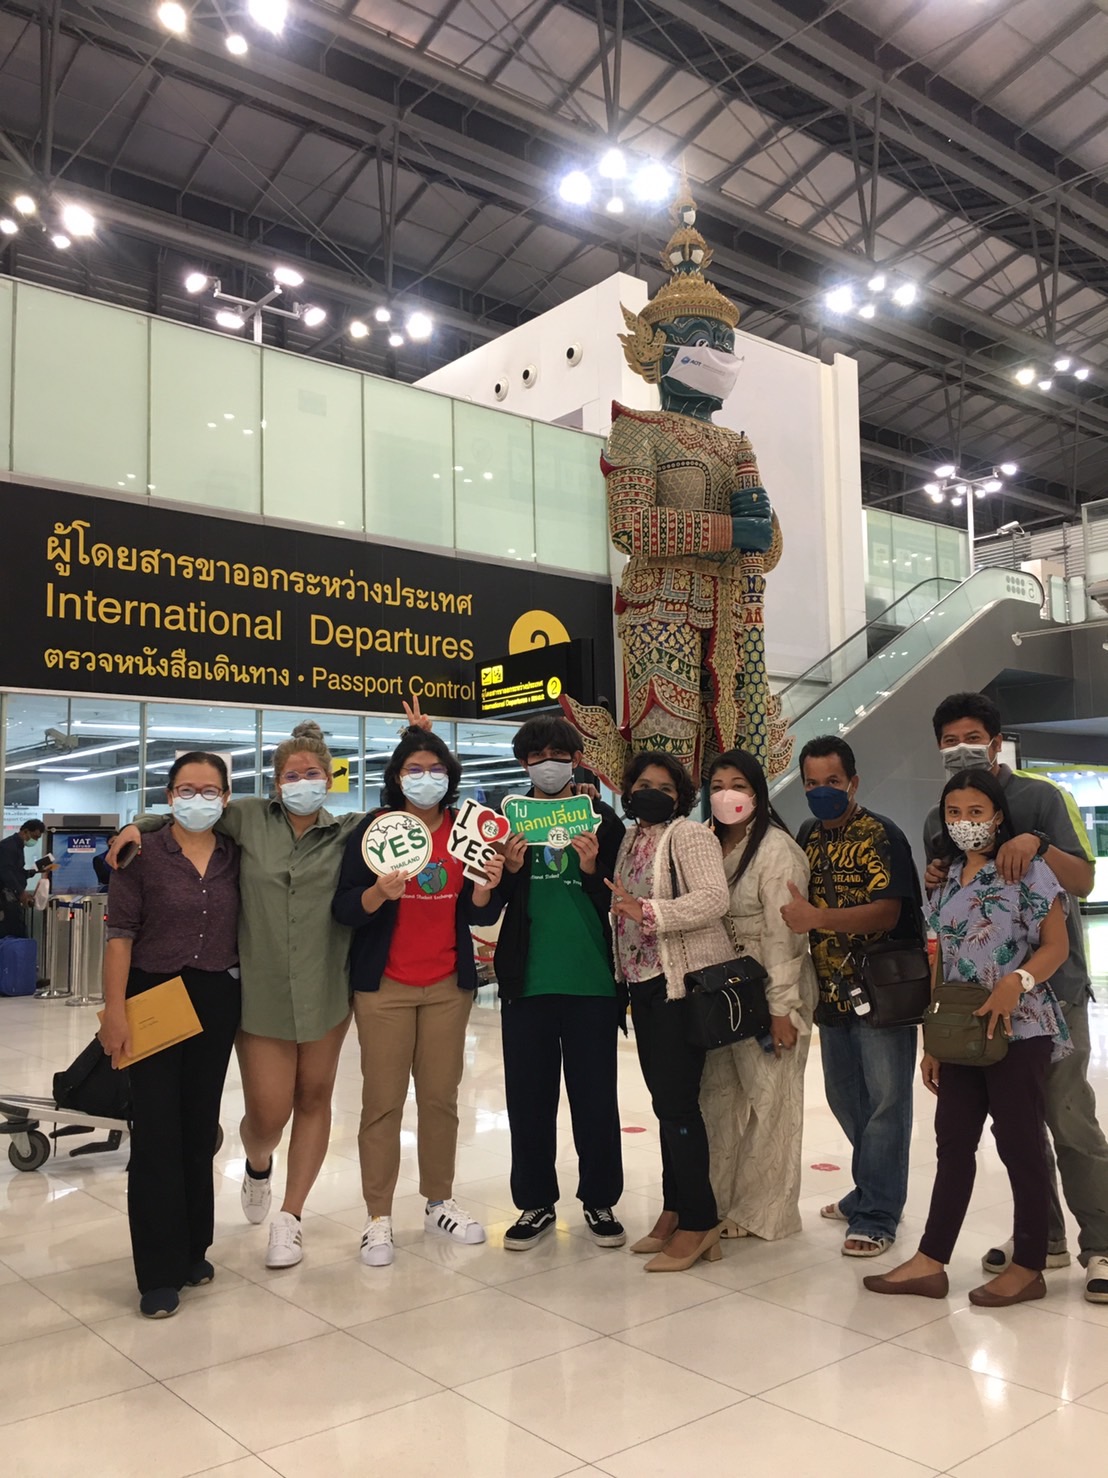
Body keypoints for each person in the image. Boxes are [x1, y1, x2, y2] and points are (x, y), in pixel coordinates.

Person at [107, 721, 363, 1270]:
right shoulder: (246, 818)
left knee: (314, 1098)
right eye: (291, 775)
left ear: (329, 778)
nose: (302, 783)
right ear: (275, 783)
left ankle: (290, 1218)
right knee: (268, 1114)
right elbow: (184, 818)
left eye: (312, 774)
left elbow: (405, 829)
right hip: (259, 992)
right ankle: (258, 1162)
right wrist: (135, 824)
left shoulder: (348, 831)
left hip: (324, 987)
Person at [925, 691, 1108, 1302]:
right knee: (1017, 1129)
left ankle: (1101, 1243)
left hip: (1050, 994)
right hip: (975, 1008)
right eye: (949, 740)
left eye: (972, 737)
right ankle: (1042, 1239)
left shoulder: (1041, 797)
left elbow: (1084, 880)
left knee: (1067, 1117)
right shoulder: (939, 818)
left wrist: (1038, 844)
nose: (961, 749)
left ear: (997, 742)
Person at [866, 768, 1071, 1307]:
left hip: (1018, 1026)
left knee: (1020, 1144)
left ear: (998, 816)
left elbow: (1056, 946)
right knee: (953, 1143)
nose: (964, 822)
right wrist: (933, 1039)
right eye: (954, 813)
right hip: (959, 1029)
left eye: (976, 812)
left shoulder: (1029, 871)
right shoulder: (945, 878)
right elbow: (940, 956)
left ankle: (1029, 1266)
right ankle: (930, 1261)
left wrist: (1016, 982)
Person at [332, 725, 503, 1268]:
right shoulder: (375, 831)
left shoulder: (465, 832)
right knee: (382, 1102)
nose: (426, 778)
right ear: (396, 777)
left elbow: (477, 913)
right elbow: (344, 906)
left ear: (450, 777)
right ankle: (377, 1216)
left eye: (436, 770)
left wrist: (485, 888)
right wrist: (376, 894)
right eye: (414, 769)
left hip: (447, 986)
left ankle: (438, 1201)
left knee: (440, 1099)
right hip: (385, 987)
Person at [99, 754, 240, 1319]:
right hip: (153, 994)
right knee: (157, 1130)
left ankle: (192, 1248)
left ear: (225, 798)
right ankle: (158, 1270)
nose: (197, 799)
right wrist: (114, 1012)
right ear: (169, 796)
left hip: (216, 996)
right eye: (186, 789)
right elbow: (119, 935)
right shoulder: (140, 853)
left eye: (209, 790)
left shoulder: (235, 853)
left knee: (199, 1127)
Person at [781, 735, 923, 1257]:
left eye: (833, 782)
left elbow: (888, 911)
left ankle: (879, 1214)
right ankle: (869, 1188)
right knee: (846, 1098)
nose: (822, 791)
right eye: (812, 783)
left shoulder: (882, 834)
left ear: (853, 783)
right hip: (831, 993)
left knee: (886, 1103)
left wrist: (818, 917)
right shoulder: (807, 835)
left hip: (883, 991)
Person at [492, 715, 627, 1250]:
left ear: (576, 760)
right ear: (523, 763)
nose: (547, 765)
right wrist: (508, 870)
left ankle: (600, 1198)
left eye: (558, 755)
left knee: (596, 1099)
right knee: (528, 1100)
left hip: (591, 979)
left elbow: (622, 897)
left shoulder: (603, 821)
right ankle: (534, 1202)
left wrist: (593, 871)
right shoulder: (506, 823)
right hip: (527, 982)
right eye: (536, 757)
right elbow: (489, 904)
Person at [608, 751, 732, 1272]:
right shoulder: (630, 839)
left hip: (676, 985)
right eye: (642, 784)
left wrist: (649, 911)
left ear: (680, 796)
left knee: (678, 1106)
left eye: (663, 786)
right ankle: (675, 1209)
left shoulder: (690, 835)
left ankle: (701, 1222)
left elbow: (714, 899)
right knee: (665, 1105)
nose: (651, 793)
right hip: (640, 984)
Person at [703, 750, 818, 1241]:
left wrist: (782, 1009)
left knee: (773, 1101)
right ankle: (714, 1202)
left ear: (758, 793)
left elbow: (783, 937)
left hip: (769, 987)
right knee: (717, 1098)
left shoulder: (777, 850)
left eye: (738, 785)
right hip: (718, 991)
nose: (726, 795)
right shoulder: (704, 843)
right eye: (717, 786)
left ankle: (764, 1212)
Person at [0, 819, 46, 937]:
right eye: (35, 837)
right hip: (6, 897)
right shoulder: (9, 846)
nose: (35, 841)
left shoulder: (18, 846)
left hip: (11, 897)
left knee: (15, 930)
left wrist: (34, 871)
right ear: (25, 831)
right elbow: (6, 873)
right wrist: (21, 892)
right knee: (14, 931)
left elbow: (16, 872)